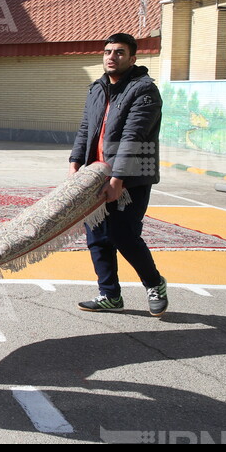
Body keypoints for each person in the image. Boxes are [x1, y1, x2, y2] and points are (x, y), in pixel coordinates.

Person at [70, 33, 168, 316]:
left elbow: (133, 137)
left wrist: (118, 179)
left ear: (133, 58)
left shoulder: (144, 90)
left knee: (124, 235)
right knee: (97, 237)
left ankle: (154, 284)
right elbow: (86, 128)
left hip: (133, 177)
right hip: (95, 175)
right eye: (108, 52)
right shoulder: (97, 88)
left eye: (119, 53)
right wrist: (76, 161)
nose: (111, 57)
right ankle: (109, 295)